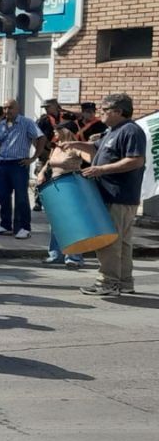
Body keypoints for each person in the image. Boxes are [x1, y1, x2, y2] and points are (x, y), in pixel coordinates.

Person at [61, 94, 146, 297]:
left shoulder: (131, 131)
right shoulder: (112, 131)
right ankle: (125, 282)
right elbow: (96, 148)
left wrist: (101, 169)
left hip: (118, 196)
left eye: (105, 110)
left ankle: (107, 283)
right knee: (123, 243)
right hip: (113, 196)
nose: (101, 114)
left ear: (118, 111)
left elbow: (135, 160)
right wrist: (75, 144)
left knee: (109, 242)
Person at [0, 99, 44, 239]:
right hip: (3, 163)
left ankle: (24, 227)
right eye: (5, 108)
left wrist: (33, 158)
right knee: (3, 196)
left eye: (10, 108)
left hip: (19, 164)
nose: (7, 111)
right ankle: (5, 225)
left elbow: (41, 138)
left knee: (21, 198)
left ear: (18, 108)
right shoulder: (1, 125)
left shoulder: (27, 122)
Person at [36, 127, 87, 268]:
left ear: (65, 131)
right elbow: (49, 162)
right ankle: (55, 254)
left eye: (57, 131)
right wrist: (42, 172)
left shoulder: (75, 147)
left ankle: (74, 257)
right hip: (55, 185)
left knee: (72, 222)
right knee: (56, 221)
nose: (54, 134)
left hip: (71, 186)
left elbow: (90, 158)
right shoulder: (56, 147)